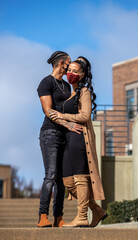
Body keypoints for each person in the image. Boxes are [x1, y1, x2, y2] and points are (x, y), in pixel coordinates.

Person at [49, 56, 107, 227]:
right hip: (68, 139)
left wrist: (62, 115)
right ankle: (96, 211)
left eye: (75, 71)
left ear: (81, 75)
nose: (71, 73)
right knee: (68, 181)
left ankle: (82, 216)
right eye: (69, 70)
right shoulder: (70, 92)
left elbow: (85, 116)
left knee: (80, 178)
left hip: (79, 137)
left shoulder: (84, 91)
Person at [37, 51, 83, 228]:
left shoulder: (65, 85)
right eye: (68, 64)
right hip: (50, 134)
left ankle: (58, 217)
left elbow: (71, 107)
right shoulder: (46, 82)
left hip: (65, 135)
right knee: (51, 175)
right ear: (61, 63)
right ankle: (42, 216)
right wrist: (69, 125)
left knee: (61, 180)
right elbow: (48, 111)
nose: (70, 67)